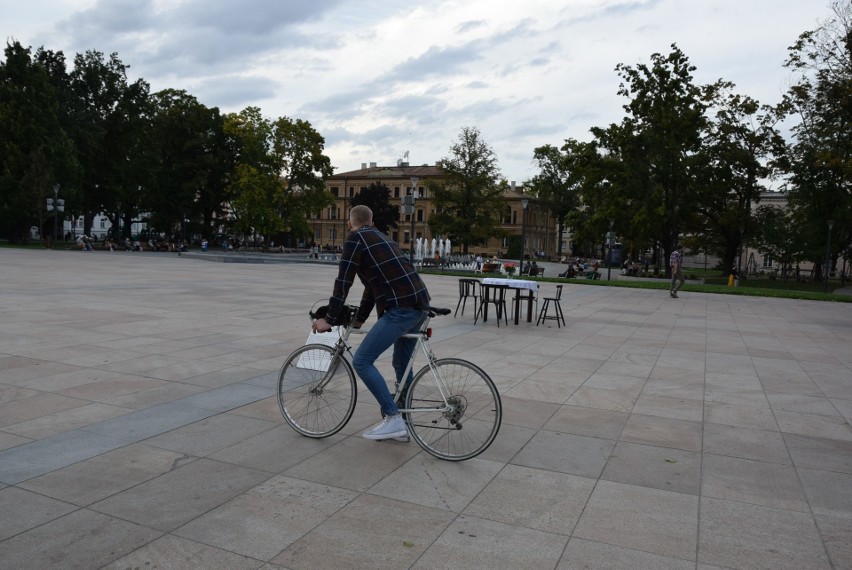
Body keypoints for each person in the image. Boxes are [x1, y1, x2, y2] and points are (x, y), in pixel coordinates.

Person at [312, 205, 431, 442]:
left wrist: (330, 318)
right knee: (401, 363)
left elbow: (343, 281)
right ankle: (403, 424)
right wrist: (359, 320)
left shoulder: (355, 239)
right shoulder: (382, 237)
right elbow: (372, 286)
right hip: (420, 305)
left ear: (349, 223)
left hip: (401, 308)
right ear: (372, 221)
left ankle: (393, 417)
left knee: (362, 360)